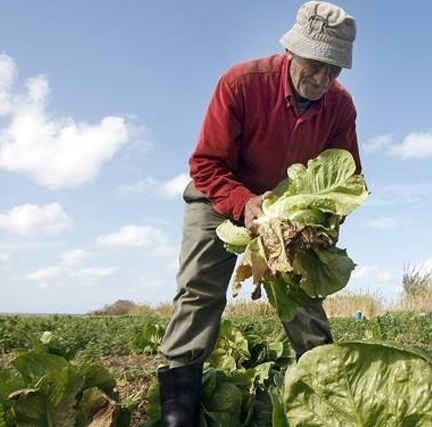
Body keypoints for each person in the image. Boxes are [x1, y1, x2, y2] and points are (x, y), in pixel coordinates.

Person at [156, 2, 361, 426]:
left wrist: (318, 226)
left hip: (285, 215)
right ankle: (178, 408)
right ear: (292, 50)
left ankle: (332, 391)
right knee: (200, 290)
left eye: (334, 69)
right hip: (219, 196)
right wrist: (246, 204)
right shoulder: (241, 83)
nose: (321, 78)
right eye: (313, 63)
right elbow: (206, 165)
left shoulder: (340, 106)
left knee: (304, 299)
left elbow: (348, 178)